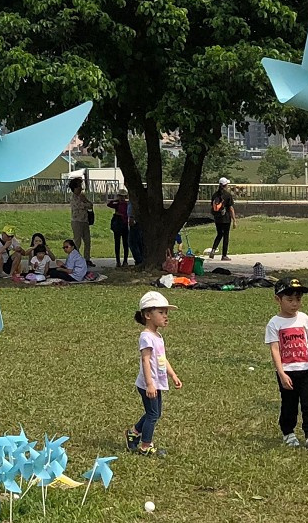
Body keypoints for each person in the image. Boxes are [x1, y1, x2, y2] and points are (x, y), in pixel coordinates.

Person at [266, 277, 308, 453]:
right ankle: (288, 432)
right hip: (288, 371)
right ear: (278, 300)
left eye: (298, 299)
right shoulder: (274, 323)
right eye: (290, 300)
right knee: (289, 405)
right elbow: (275, 349)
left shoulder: (303, 318)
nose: (295, 304)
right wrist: (281, 373)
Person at [125, 290, 182, 458]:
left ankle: (133, 433)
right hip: (148, 384)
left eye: (166, 313)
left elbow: (162, 358)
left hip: (156, 382)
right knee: (152, 415)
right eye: (161, 312)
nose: (166, 316)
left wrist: (173, 375)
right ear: (148, 315)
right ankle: (145, 446)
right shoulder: (146, 337)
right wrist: (150, 384)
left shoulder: (157, 335)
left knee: (155, 413)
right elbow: (145, 361)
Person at [206, 177, 237, 261]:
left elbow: (212, 206)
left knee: (219, 234)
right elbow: (231, 208)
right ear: (225, 185)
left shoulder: (214, 195)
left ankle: (213, 249)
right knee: (226, 236)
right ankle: (224, 255)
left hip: (217, 218)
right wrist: (234, 220)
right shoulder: (227, 195)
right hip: (226, 219)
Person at [68, 176, 94, 267]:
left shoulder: (82, 196)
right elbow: (81, 206)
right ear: (75, 187)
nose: (81, 188)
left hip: (85, 221)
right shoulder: (73, 198)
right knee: (77, 241)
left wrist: (86, 201)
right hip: (77, 221)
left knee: (87, 241)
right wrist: (85, 202)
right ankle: (76, 259)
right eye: (79, 186)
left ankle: (87, 259)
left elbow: (90, 205)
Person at [108, 187, 131, 267]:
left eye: (123, 196)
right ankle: (118, 261)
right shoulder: (117, 204)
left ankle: (125, 260)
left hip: (124, 225)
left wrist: (121, 215)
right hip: (118, 225)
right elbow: (109, 204)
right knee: (117, 244)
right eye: (120, 196)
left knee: (125, 244)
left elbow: (127, 214)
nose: (122, 198)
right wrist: (115, 200)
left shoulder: (127, 204)